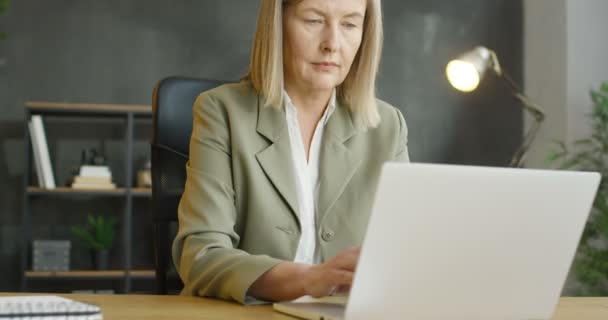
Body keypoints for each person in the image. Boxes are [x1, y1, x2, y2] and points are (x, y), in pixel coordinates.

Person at [172, 0, 409, 304]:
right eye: (313, 20)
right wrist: (309, 279)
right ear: (277, 26)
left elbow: (404, 255)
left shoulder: (388, 126)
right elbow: (202, 257)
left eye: (349, 25)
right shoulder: (221, 111)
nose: (332, 44)